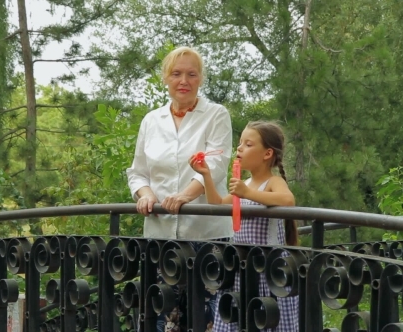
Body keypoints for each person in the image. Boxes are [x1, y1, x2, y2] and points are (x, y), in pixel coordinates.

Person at [126, 46, 233, 332]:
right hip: (161, 237)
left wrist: (185, 196)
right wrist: (145, 194)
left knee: (206, 322)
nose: (183, 80)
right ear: (165, 78)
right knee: (163, 321)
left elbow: (217, 164)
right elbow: (137, 172)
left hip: (207, 235)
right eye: (176, 73)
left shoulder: (216, 115)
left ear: (200, 80)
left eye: (191, 74)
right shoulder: (151, 120)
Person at [188, 120, 299, 332]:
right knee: (241, 317)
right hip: (242, 266)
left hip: (268, 268)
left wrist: (246, 194)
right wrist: (206, 175)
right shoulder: (245, 184)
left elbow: (288, 200)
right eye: (240, 143)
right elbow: (218, 203)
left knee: (264, 319)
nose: (239, 148)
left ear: (267, 154)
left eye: (248, 144)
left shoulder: (272, 182)